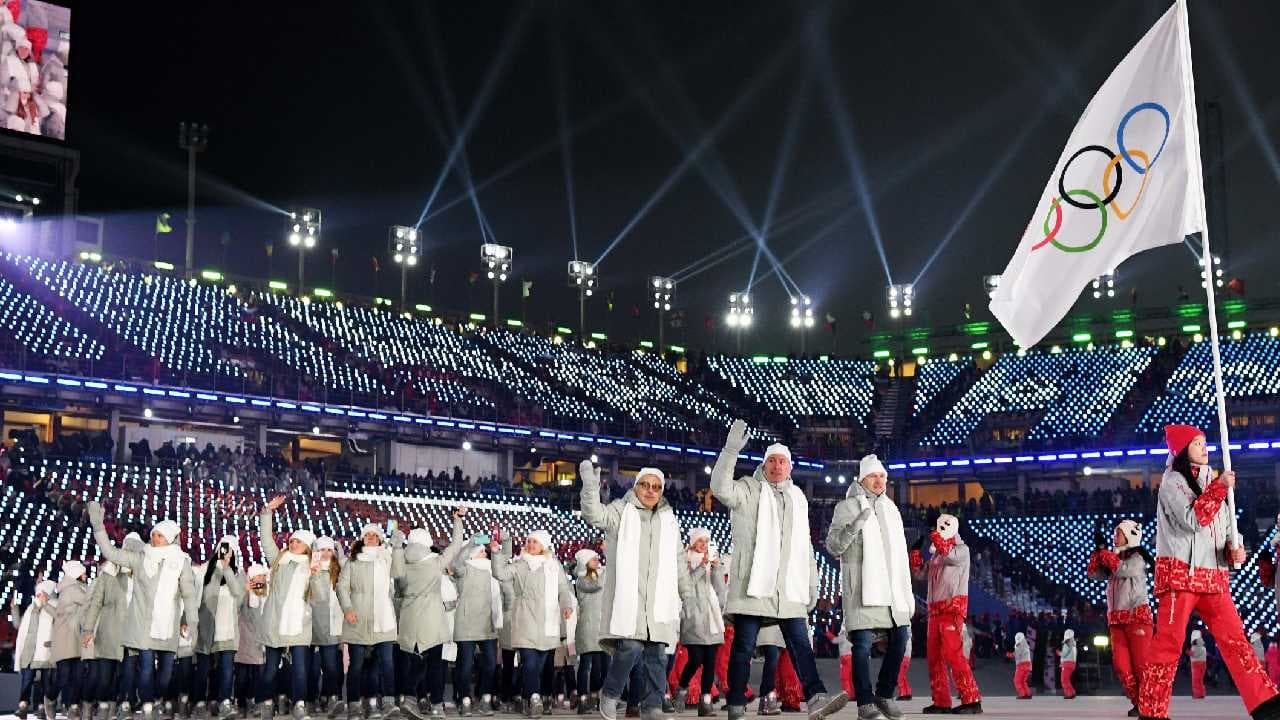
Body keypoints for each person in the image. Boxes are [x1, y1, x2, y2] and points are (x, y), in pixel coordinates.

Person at [1137, 425, 1280, 720]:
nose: (1204, 448)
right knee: (1168, 645)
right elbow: (1193, 520)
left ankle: (1265, 703)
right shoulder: (1172, 482)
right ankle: (1152, 711)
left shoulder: (1215, 482)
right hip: (1180, 576)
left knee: (1236, 640)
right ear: (1181, 449)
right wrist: (1220, 488)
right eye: (1197, 443)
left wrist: (1234, 550)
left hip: (1213, 578)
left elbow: (1225, 532)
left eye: (1204, 443)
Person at [710, 421, 845, 720]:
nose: (776, 466)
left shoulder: (798, 498)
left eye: (782, 461)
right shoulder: (748, 489)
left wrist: (812, 584)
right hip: (753, 586)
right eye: (771, 460)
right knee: (743, 647)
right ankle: (736, 703)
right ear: (764, 464)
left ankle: (816, 697)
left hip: (787, 590)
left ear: (790, 467)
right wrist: (731, 450)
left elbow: (805, 547)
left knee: (801, 645)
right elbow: (719, 488)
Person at [579, 462, 693, 720]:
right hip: (630, 599)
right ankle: (610, 693)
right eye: (645, 485)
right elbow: (594, 515)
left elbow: (677, 559)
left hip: (658, 601)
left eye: (656, 487)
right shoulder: (621, 511)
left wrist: (686, 593)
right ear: (636, 486)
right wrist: (590, 486)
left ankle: (652, 706)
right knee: (630, 647)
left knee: (657, 655)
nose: (651, 491)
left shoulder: (668, 520)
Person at [87, 502, 200, 720]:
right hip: (144, 627)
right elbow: (111, 553)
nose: (154, 538)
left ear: (169, 538)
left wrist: (190, 620)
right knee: (146, 668)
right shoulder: (141, 558)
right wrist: (98, 527)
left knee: (165, 674)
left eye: (159, 535)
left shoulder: (181, 562)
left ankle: (156, 698)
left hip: (168, 627)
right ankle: (148, 704)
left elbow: (189, 594)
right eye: (153, 534)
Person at [826, 455, 912, 720]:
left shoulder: (891, 509)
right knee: (862, 645)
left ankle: (884, 695)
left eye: (883, 476)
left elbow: (899, 555)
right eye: (874, 476)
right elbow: (833, 546)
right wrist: (854, 527)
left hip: (892, 590)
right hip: (862, 588)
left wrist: (906, 589)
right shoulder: (846, 507)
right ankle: (864, 703)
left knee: (901, 638)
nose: (879, 481)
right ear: (862, 479)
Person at [490, 529, 574, 717]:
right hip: (525, 620)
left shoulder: (553, 566)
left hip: (547, 623)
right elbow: (500, 574)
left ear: (543, 545)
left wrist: (566, 605)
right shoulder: (520, 564)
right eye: (528, 541)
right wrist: (496, 553)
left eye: (534, 542)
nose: (530, 545)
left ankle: (533, 697)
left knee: (539, 666)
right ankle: (534, 699)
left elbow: (563, 588)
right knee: (529, 662)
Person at [396, 516, 471, 719]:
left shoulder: (401, 562)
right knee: (436, 664)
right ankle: (437, 705)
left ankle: (410, 698)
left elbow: (398, 590)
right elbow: (456, 545)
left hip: (410, 618)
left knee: (415, 662)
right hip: (433, 619)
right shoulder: (436, 562)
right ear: (428, 543)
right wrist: (457, 520)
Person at [258, 496, 325, 720]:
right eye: (292, 540)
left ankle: (299, 704)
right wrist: (267, 512)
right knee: (270, 668)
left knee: (300, 668)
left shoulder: (313, 566)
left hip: (299, 624)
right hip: (275, 621)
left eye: (299, 542)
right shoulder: (279, 560)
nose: (293, 543)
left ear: (307, 546)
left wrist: (316, 575)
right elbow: (266, 539)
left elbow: (320, 596)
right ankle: (267, 703)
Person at [911, 512, 982, 715]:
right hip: (934, 612)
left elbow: (949, 554)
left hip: (952, 610)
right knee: (935, 659)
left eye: (939, 527)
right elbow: (920, 574)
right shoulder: (937, 555)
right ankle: (941, 701)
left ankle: (971, 699)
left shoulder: (961, 550)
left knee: (954, 655)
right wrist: (915, 553)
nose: (935, 531)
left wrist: (935, 535)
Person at [338, 522, 406, 720]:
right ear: (362, 538)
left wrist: (398, 548)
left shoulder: (386, 557)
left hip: (383, 618)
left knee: (386, 663)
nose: (370, 538)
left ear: (379, 539)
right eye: (367, 535)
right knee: (356, 665)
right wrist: (347, 609)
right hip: (358, 617)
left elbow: (399, 573)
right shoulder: (353, 561)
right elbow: (342, 587)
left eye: (374, 535)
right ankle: (354, 705)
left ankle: (387, 703)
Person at [1086, 519, 1152, 715]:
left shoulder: (1138, 558)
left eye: (1119, 533)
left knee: (1141, 666)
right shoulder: (1113, 559)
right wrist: (1098, 552)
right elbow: (1093, 574)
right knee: (1122, 667)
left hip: (1137, 618)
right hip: (1116, 621)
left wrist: (1104, 552)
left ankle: (1149, 704)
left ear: (1130, 535)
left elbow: (1123, 569)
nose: (1115, 537)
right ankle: (1139, 703)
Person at [449, 512, 503, 718]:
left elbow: (502, 559)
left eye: (483, 550)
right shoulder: (465, 570)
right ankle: (464, 698)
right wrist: (472, 542)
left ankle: (485, 698)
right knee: (465, 665)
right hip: (466, 623)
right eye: (480, 551)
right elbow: (456, 563)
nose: (483, 552)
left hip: (488, 623)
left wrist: (496, 545)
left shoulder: (492, 569)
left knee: (489, 664)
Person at [674, 527, 727, 717]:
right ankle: (682, 688)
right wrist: (701, 567)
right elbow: (686, 584)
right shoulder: (684, 560)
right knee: (696, 659)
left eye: (706, 541)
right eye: (700, 541)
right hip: (693, 616)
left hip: (711, 618)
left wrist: (717, 568)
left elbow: (720, 590)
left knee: (710, 662)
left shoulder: (710, 562)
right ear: (692, 543)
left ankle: (705, 702)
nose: (704, 544)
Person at [194, 536, 245, 720]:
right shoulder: (205, 571)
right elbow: (206, 596)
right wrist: (218, 569)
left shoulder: (239, 574)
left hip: (228, 630)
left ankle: (224, 702)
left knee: (226, 669)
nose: (226, 554)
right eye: (223, 550)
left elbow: (238, 596)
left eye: (230, 551)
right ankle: (200, 703)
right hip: (207, 629)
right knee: (203, 669)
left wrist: (227, 569)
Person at [81, 555, 132, 720]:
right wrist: (88, 630)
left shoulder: (134, 577)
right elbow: (90, 606)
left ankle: (111, 709)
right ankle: (94, 706)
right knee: (101, 676)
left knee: (118, 675)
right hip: (102, 633)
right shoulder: (102, 580)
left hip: (123, 634)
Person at [48, 560, 89, 720]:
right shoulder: (73, 590)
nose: (86, 575)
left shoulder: (74, 588)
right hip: (66, 639)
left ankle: (73, 707)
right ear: (76, 574)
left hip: (75, 637)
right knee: (64, 677)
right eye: (83, 572)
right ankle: (50, 698)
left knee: (77, 677)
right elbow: (91, 600)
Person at [308, 537, 345, 718]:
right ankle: (312, 699)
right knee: (313, 668)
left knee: (331, 666)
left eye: (329, 550)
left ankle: (331, 697)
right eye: (322, 550)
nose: (325, 553)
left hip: (332, 626)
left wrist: (341, 553)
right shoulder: (309, 570)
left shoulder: (339, 571)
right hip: (312, 626)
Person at [13, 580, 57, 719]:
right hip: (29, 651)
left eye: (41, 593)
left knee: (45, 683)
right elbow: (19, 626)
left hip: (45, 651)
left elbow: (60, 622)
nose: (38, 595)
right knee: (26, 681)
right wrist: (14, 609)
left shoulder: (54, 606)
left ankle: (42, 708)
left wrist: (46, 605)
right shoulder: (31, 608)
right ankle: (23, 706)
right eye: (37, 593)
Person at [572, 549, 608, 715]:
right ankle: (582, 699)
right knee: (585, 665)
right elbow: (597, 585)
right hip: (587, 628)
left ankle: (595, 696)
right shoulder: (581, 580)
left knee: (599, 667)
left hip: (600, 628)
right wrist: (608, 567)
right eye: (593, 559)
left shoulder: (599, 576)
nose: (597, 561)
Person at [1058, 630, 1077, 700]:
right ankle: (1072, 693)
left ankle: (1069, 694)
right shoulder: (1073, 644)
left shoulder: (1067, 643)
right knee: (1067, 680)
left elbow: (1064, 654)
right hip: (1072, 664)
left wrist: (1059, 653)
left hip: (1066, 664)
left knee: (1064, 680)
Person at [1012, 633, 1031, 700]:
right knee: (1023, 681)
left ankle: (1022, 694)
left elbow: (1017, 655)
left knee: (1017, 680)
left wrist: (1010, 655)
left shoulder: (1019, 644)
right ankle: (1028, 693)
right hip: (1028, 665)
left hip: (1021, 665)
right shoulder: (1026, 644)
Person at [1189, 630, 1207, 699]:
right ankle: (1201, 693)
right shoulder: (1202, 645)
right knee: (1200, 680)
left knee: (1196, 680)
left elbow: (1195, 654)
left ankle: (1197, 694)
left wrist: (1188, 652)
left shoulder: (1196, 646)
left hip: (1196, 664)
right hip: (1202, 663)